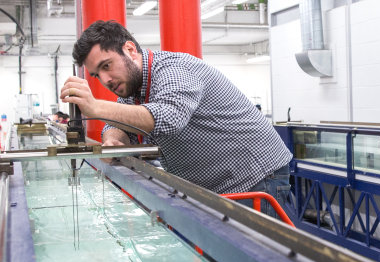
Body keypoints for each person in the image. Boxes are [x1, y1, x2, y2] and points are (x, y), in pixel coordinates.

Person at [60, 20, 293, 219]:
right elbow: (117, 123)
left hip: (256, 182)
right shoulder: (135, 88)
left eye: (106, 66)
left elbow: (169, 118)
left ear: (130, 50)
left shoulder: (174, 70)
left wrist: (95, 107)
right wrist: (113, 140)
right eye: (96, 75)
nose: (105, 79)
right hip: (214, 191)